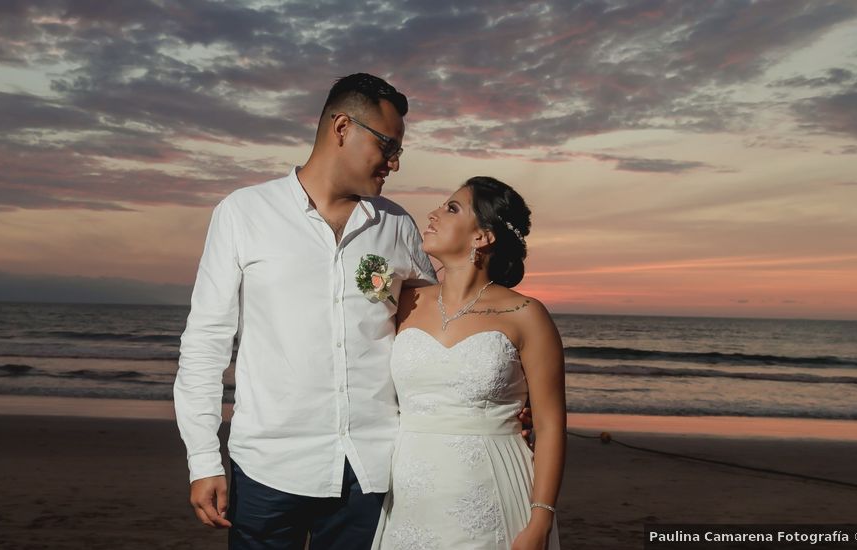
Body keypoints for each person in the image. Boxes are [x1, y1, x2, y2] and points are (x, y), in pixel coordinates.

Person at [173, 73, 438, 549]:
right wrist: (203, 460)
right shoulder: (243, 213)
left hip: (373, 466)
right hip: (270, 466)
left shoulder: (397, 226)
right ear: (342, 128)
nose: (395, 163)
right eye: (388, 145)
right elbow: (206, 342)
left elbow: (433, 333)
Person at [373, 176, 566, 550]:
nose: (433, 214)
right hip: (410, 493)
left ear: (482, 236)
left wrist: (541, 518)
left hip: (492, 486)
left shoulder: (527, 315)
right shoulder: (403, 300)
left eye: (451, 208)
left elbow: (550, 424)